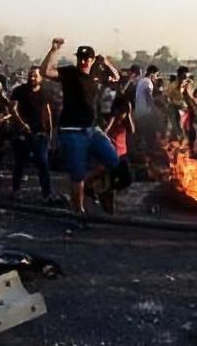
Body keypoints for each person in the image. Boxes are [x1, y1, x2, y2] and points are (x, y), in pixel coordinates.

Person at [40, 39, 120, 219]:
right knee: (77, 174)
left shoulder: (96, 75)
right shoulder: (69, 73)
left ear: (92, 60)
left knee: (114, 162)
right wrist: (54, 50)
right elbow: (45, 71)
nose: (83, 61)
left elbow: (116, 77)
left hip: (91, 130)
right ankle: (79, 213)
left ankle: (91, 185)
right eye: (80, 58)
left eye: (86, 58)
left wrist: (106, 62)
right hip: (71, 131)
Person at [10, 65, 54, 202]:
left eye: (35, 75)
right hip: (23, 133)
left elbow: (47, 112)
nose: (32, 78)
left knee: (43, 163)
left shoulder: (45, 92)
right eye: (30, 75)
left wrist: (50, 131)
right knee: (20, 162)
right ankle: (16, 190)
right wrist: (21, 124)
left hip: (39, 133)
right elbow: (13, 109)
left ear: (40, 77)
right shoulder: (19, 91)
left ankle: (47, 194)